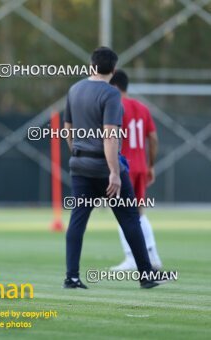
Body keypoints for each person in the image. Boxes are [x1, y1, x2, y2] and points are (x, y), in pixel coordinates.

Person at [63, 47, 161, 289]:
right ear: (114, 69)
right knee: (130, 218)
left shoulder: (74, 89)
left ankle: (72, 277)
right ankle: (146, 275)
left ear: (91, 65)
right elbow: (110, 136)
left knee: (77, 221)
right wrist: (114, 172)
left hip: (80, 165)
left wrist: (76, 151)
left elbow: (67, 127)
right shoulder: (111, 94)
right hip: (104, 167)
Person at [109, 70, 162, 270]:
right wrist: (151, 164)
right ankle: (153, 256)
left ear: (114, 87)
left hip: (124, 165)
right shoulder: (142, 107)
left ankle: (132, 257)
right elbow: (154, 138)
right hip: (140, 165)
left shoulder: (115, 106)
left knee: (123, 213)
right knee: (139, 213)